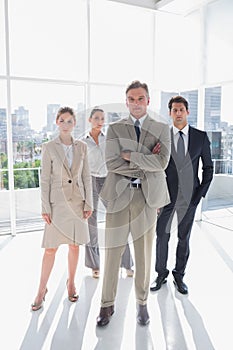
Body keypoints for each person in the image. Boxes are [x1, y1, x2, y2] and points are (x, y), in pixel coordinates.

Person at [96, 80, 171, 327]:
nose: (136, 103)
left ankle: (142, 304)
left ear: (148, 101)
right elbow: (111, 164)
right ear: (126, 101)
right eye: (131, 99)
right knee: (112, 254)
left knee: (143, 255)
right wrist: (145, 160)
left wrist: (130, 156)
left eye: (140, 98)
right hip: (119, 197)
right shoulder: (116, 129)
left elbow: (162, 163)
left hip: (146, 199)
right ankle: (107, 305)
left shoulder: (161, 128)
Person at [150, 96, 213, 295]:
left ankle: (179, 275)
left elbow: (208, 168)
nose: (178, 113)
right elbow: (156, 167)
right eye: (174, 110)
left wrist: (198, 196)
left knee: (184, 238)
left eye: (181, 110)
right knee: (162, 236)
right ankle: (161, 274)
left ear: (187, 112)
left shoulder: (200, 137)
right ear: (170, 113)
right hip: (166, 197)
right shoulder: (163, 137)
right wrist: (152, 154)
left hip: (189, 198)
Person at [31, 106, 93, 311]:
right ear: (56, 122)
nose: (66, 124)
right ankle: (41, 289)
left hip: (77, 203)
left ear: (74, 124)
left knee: (75, 246)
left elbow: (86, 177)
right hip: (56, 204)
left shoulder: (82, 147)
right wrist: (45, 207)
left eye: (69, 121)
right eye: (62, 120)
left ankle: (72, 282)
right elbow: (45, 179)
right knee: (50, 249)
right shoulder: (49, 147)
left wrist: (89, 202)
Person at [83, 107, 134, 279]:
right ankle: (94, 265)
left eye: (102, 118)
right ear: (90, 119)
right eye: (96, 118)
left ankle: (127, 263)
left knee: (117, 221)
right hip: (90, 181)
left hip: (108, 180)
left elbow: (119, 158)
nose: (100, 121)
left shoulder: (110, 140)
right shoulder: (82, 142)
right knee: (92, 224)